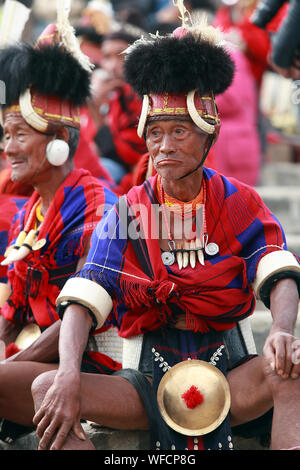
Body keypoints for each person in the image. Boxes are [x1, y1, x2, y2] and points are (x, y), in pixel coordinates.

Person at [31, 4, 300, 451]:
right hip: (146, 382)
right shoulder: (128, 210)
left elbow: (276, 267)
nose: (165, 145)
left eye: (180, 131)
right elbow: (88, 290)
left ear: (208, 136)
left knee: (292, 362)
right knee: (44, 390)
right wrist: (65, 374)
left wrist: (281, 331)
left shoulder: (237, 201)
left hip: (231, 376)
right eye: (155, 133)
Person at [0, 8, 121, 445]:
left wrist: (10, 367)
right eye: (5, 135)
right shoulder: (29, 210)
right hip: (35, 362)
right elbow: (13, 309)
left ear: (57, 141)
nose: (7, 148)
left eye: (18, 134)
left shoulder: (98, 207)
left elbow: (81, 317)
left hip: (94, 365)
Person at [82, 24, 148, 184]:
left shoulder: (145, 97)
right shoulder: (111, 95)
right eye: (107, 57)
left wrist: (95, 110)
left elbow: (121, 155)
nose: (112, 66)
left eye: (121, 56)